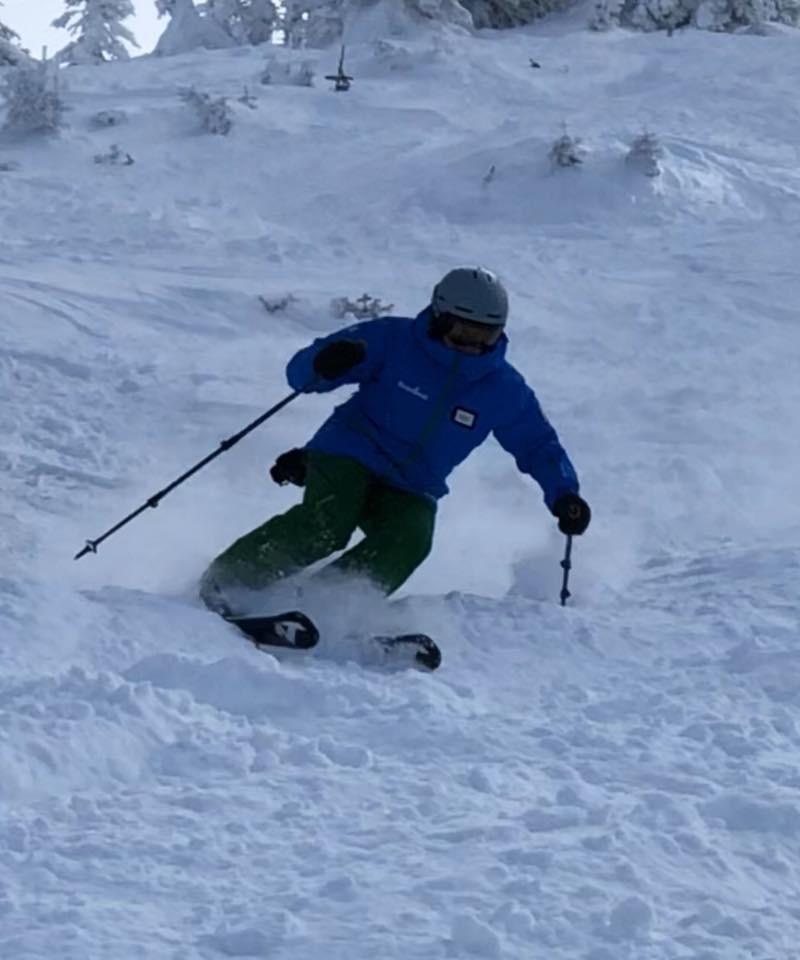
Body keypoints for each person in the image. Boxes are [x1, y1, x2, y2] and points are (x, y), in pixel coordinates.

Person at [200, 267, 590, 614]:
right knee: (328, 524)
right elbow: (301, 376)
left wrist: (564, 493)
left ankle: (321, 606)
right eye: (462, 331)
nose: (471, 344)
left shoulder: (503, 388)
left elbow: (538, 444)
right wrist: (325, 362)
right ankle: (230, 579)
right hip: (350, 450)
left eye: (484, 335)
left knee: (410, 540)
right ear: (439, 317)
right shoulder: (392, 339)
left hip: (414, 482)